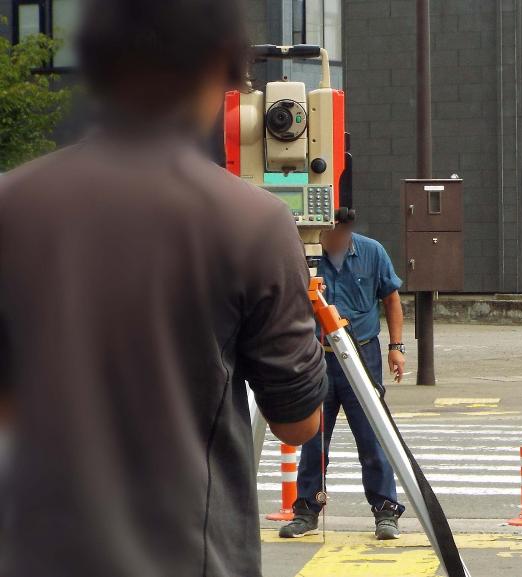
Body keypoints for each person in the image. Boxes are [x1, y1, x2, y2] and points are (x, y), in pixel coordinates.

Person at [0, 1, 328, 576]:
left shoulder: (12, 204)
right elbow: (296, 423)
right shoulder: (252, 221)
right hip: (190, 555)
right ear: (218, 67)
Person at [279, 209, 407, 540]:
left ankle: (386, 510)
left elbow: (391, 299)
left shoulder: (372, 252)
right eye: (327, 233)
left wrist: (396, 347)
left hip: (361, 353)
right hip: (315, 356)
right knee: (313, 437)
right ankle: (306, 510)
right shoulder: (304, 255)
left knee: (371, 434)